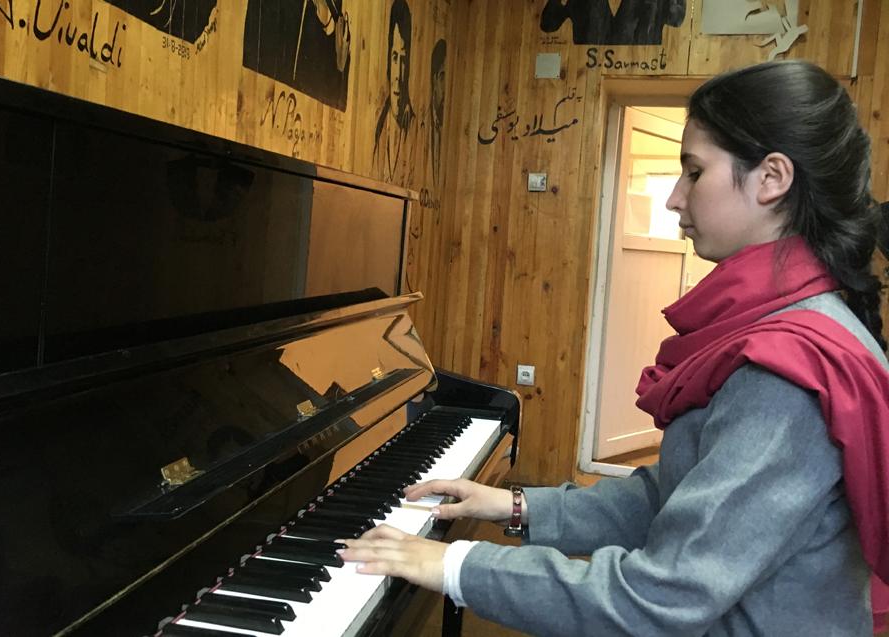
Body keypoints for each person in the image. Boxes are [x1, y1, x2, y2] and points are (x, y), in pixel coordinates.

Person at [339, 59, 889, 635]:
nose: (676, 198)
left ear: (771, 178)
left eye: (694, 172)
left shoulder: (789, 373)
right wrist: (514, 506)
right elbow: (679, 496)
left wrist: (454, 563)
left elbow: (658, 598)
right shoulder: (784, 322)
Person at [372, 0, 416, 185]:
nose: (398, 74)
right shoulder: (380, 125)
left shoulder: (415, 130)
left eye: (404, 59)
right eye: (395, 57)